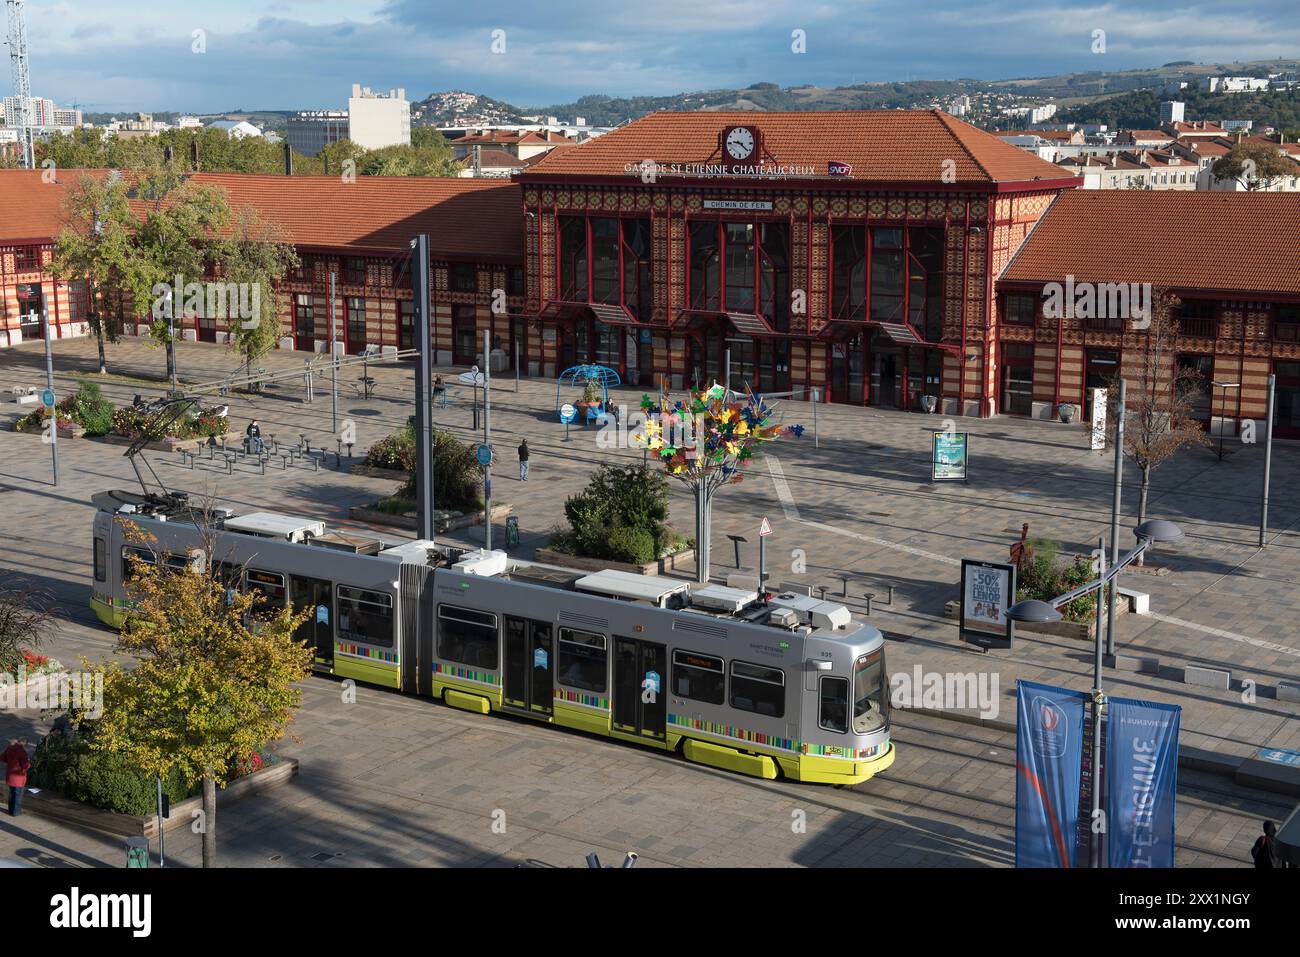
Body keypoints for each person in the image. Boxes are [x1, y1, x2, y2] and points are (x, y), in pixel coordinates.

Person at [4, 739, 30, 817]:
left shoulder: (9, 748)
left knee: (12, 794)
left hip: (10, 776)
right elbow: (25, 765)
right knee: (18, 795)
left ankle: (10, 811)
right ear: (24, 744)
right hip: (18, 778)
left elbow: (2, 757)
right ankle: (16, 812)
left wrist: (10, 762)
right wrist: (29, 763)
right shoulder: (22, 751)